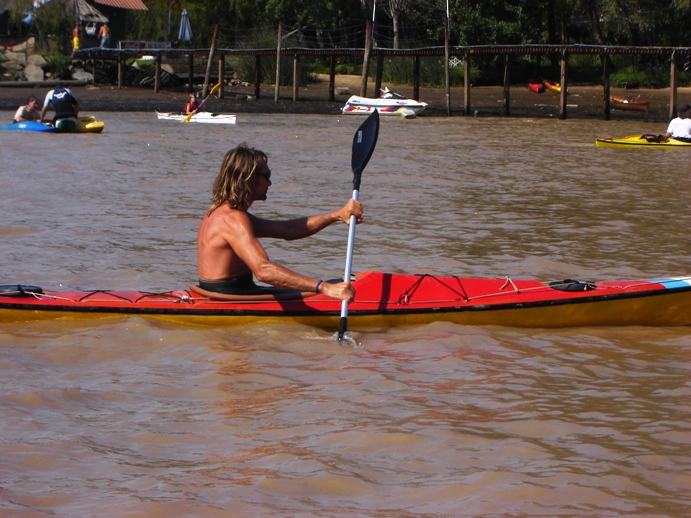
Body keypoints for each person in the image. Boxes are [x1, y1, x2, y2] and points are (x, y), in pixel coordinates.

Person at [197, 143, 363, 301]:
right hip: (228, 297)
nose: (270, 183)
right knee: (332, 286)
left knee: (339, 282)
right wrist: (325, 288)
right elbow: (263, 271)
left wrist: (337, 215)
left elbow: (287, 229)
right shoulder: (233, 219)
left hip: (230, 291)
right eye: (266, 176)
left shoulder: (220, 213)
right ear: (247, 177)